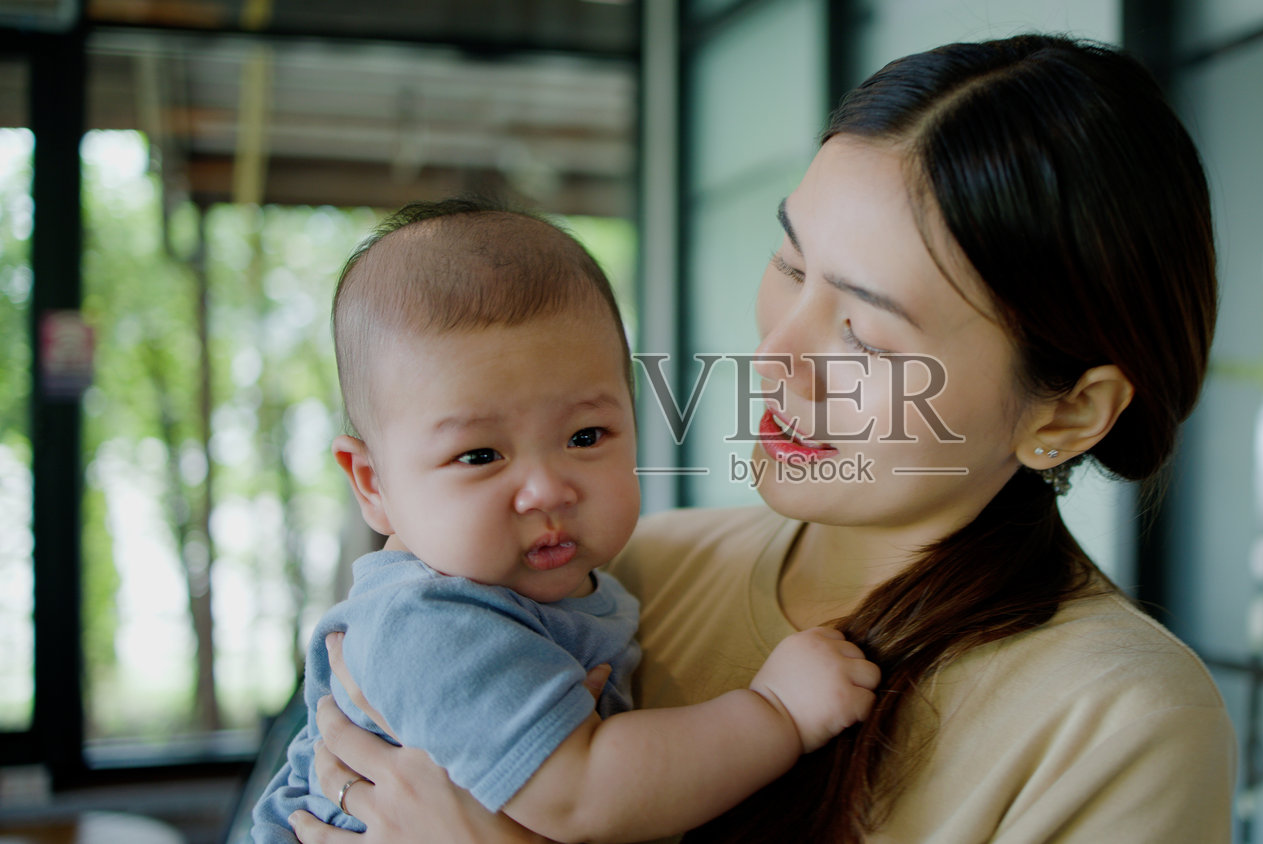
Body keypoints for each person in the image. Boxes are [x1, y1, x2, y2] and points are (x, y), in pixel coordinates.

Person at [290, 34, 1236, 844]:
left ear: (1066, 411)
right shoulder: (622, 576)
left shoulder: (1118, 722)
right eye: (789, 264)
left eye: (864, 332)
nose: (775, 356)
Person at [253, 200, 881, 844]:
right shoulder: (427, 622)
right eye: (479, 455)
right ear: (372, 483)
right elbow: (583, 793)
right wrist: (776, 712)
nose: (547, 489)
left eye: (585, 435)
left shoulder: (575, 579)